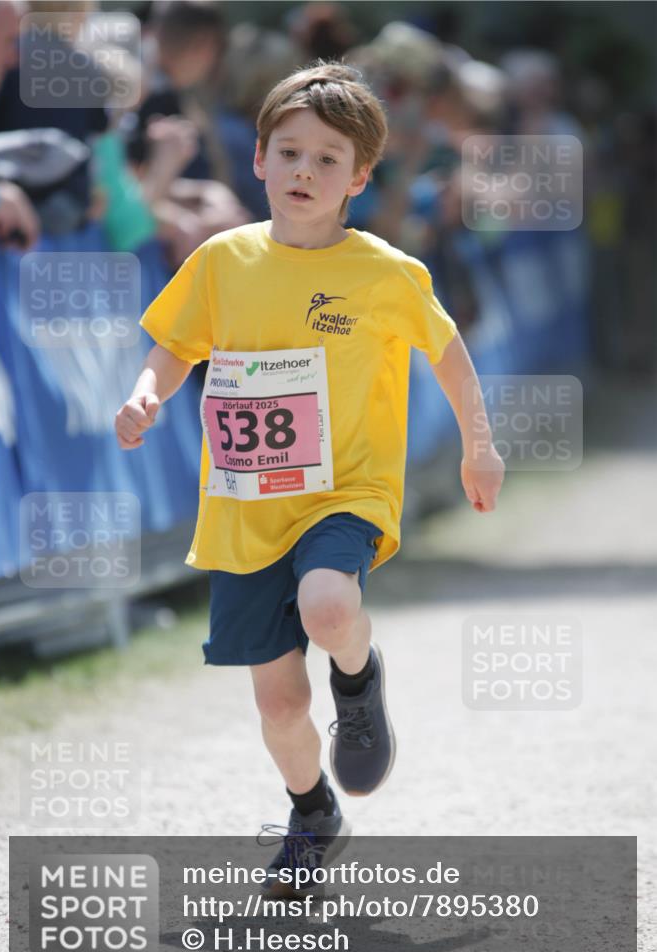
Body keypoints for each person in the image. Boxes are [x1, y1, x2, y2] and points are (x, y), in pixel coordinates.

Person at [115, 61, 505, 896]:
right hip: (246, 504)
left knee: (331, 606)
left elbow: (452, 360)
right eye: (289, 152)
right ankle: (312, 810)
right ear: (257, 159)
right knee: (282, 708)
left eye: (329, 160)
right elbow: (175, 346)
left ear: (361, 178)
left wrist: (480, 446)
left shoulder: (388, 273)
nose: (304, 171)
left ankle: (359, 680)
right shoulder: (223, 260)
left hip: (346, 490)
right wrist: (146, 394)